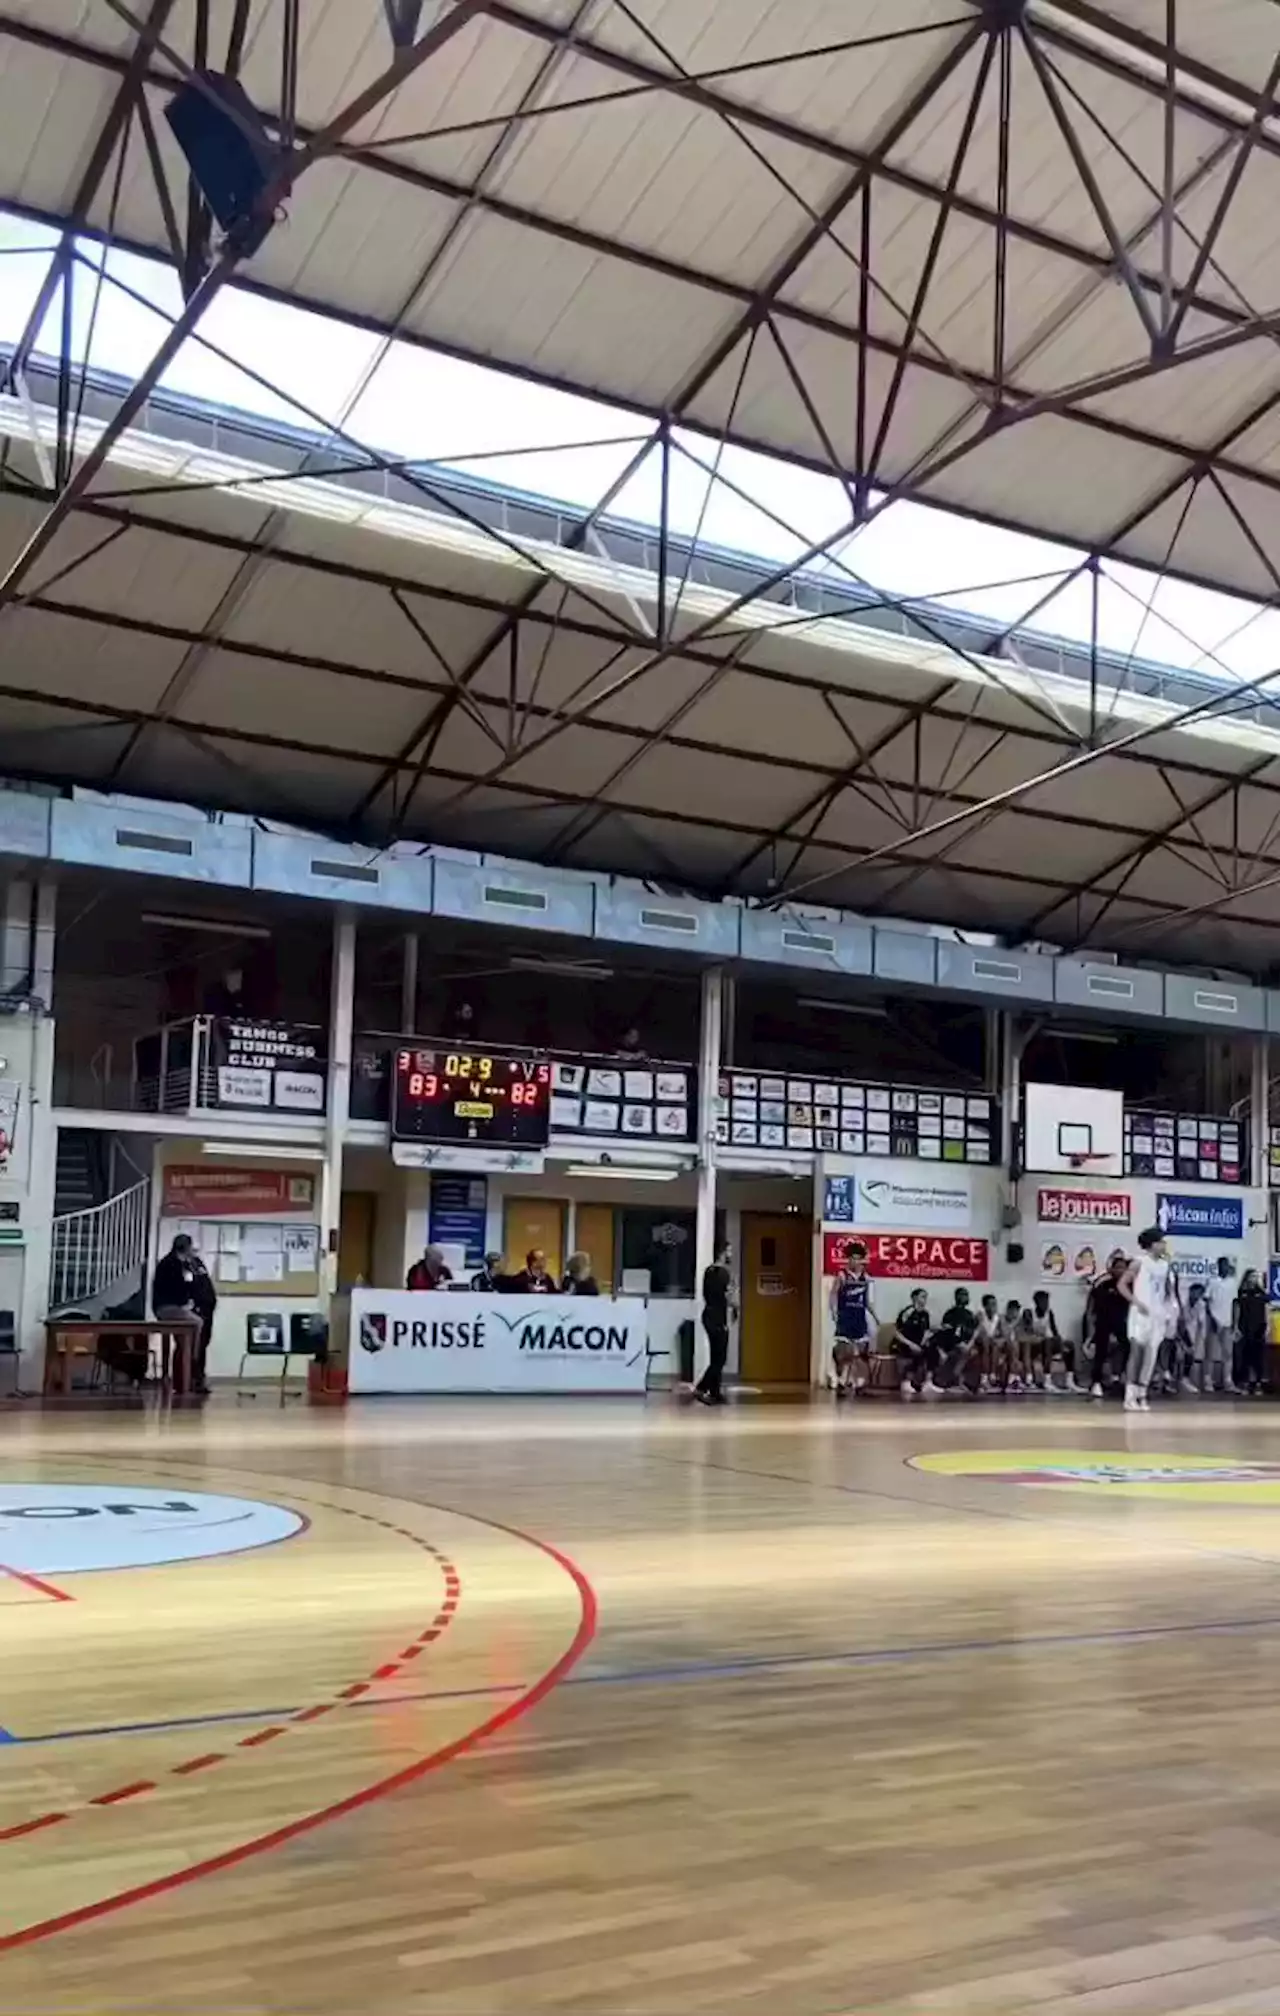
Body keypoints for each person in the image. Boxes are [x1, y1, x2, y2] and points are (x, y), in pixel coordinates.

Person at [151, 1233, 209, 1394]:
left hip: (174, 1306)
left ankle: (189, 1355)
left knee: (190, 1328)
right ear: (186, 1248)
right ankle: (193, 1353)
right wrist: (186, 1303)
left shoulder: (180, 1263)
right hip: (166, 1307)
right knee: (197, 1322)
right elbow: (175, 1289)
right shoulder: (171, 1264)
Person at [1120, 1224, 1169, 1411]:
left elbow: (1165, 1291)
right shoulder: (1139, 1262)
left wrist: (1166, 1310)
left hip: (1156, 1315)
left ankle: (1142, 1394)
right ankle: (1129, 1396)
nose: (1164, 1245)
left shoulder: (1165, 1265)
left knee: (1151, 1356)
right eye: (1161, 1242)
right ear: (1152, 1244)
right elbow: (1122, 1285)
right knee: (1137, 1352)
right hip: (1140, 1314)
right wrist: (1136, 1302)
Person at [829, 1242, 877, 1397]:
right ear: (848, 1259)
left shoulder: (866, 1277)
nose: (855, 1262)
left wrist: (876, 1317)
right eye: (852, 1258)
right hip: (846, 1317)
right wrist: (834, 1311)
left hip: (859, 1317)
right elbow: (833, 1294)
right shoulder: (842, 1275)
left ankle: (858, 1382)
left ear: (862, 1260)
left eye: (858, 1259)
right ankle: (841, 1379)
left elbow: (867, 1301)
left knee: (861, 1353)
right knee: (844, 1352)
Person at [696, 1242, 735, 1407]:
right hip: (718, 1317)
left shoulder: (708, 1271)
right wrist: (735, 1307)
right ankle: (703, 1388)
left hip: (708, 1314)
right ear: (722, 1253)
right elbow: (728, 1296)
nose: (731, 1254)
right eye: (729, 1251)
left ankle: (714, 1391)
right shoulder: (723, 1273)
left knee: (716, 1357)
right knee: (719, 1358)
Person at [1086, 1253, 1130, 1398]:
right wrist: (1089, 1333)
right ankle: (1096, 1382)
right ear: (1112, 1269)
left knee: (1130, 1347)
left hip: (1121, 1323)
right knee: (1101, 1352)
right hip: (1103, 1322)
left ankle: (1122, 1376)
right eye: (1118, 1268)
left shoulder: (1130, 1285)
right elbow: (1091, 1308)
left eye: (1123, 1268)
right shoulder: (1103, 1284)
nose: (1121, 1271)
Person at [933, 1287, 978, 1393]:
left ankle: (969, 1383)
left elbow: (972, 1333)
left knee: (972, 1351)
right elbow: (948, 1333)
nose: (965, 1297)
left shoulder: (969, 1314)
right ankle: (953, 1382)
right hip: (952, 1344)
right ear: (956, 1297)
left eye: (966, 1295)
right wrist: (959, 1343)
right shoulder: (950, 1314)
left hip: (967, 1344)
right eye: (962, 1295)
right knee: (962, 1351)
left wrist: (969, 1344)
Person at [893, 1288, 935, 1400]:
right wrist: (911, 1344)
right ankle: (906, 1382)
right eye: (922, 1296)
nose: (925, 1299)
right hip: (904, 1343)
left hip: (917, 1343)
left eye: (926, 1297)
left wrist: (923, 1343)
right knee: (914, 1352)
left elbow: (926, 1332)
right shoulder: (907, 1312)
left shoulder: (925, 1314)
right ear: (915, 1298)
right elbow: (896, 1333)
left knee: (932, 1349)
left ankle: (928, 1382)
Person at [1206, 1256, 1239, 1394]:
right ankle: (1208, 1381)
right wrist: (1212, 1319)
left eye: (1226, 1265)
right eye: (1222, 1265)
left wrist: (1235, 1324)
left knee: (1228, 1354)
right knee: (1211, 1354)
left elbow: (1235, 1304)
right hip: (1214, 1322)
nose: (1224, 1267)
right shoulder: (1213, 1281)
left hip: (1227, 1323)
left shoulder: (1232, 1283)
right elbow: (1207, 1302)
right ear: (1218, 1266)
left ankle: (1227, 1381)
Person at [1236, 1268, 1269, 1395]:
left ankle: (1258, 1383)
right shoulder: (1242, 1292)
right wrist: (1236, 1327)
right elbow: (1237, 1309)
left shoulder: (1261, 1293)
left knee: (1258, 1357)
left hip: (1259, 1327)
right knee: (1245, 1356)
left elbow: (1266, 1309)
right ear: (1247, 1277)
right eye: (1252, 1276)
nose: (1254, 1279)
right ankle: (1245, 1383)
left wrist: (1268, 1327)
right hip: (1245, 1327)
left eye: (1256, 1276)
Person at [1183, 1280, 1209, 1395]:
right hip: (1177, 1330)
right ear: (1190, 1291)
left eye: (1199, 1293)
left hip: (1192, 1333)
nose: (1196, 1295)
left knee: (1190, 1355)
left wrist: (1200, 1340)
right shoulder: (1182, 1301)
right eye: (1194, 1292)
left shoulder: (1201, 1304)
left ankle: (1185, 1379)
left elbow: (1202, 1323)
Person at [996, 1297, 1027, 1392]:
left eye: (1017, 1310)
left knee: (1016, 1345)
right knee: (1012, 1345)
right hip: (1001, 1347)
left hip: (1014, 1349)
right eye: (1013, 1310)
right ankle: (1013, 1379)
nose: (1015, 1312)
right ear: (1008, 1310)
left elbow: (1021, 1337)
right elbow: (995, 1335)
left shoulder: (1019, 1322)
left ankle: (1013, 1378)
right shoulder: (1000, 1319)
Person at [974, 1293, 1002, 1393]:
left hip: (992, 1343)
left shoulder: (998, 1318)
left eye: (995, 1304)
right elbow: (979, 1332)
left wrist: (998, 1340)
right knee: (986, 1341)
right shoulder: (980, 1315)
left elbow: (1002, 1334)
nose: (993, 1307)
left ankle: (992, 1375)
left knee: (995, 1345)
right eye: (990, 1304)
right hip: (980, 1341)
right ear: (985, 1306)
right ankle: (984, 1378)